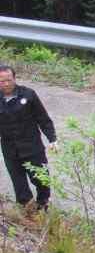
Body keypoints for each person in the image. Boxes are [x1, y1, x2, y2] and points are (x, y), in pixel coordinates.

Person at [0, 65, 57, 209]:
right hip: (10, 149)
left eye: (9, 80)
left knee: (40, 179)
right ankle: (27, 211)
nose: (6, 84)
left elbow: (43, 119)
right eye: (2, 81)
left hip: (32, 147)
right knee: (19, 184)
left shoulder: (28, 95)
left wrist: (52, 139)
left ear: (14, 78)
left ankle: (43, 204)